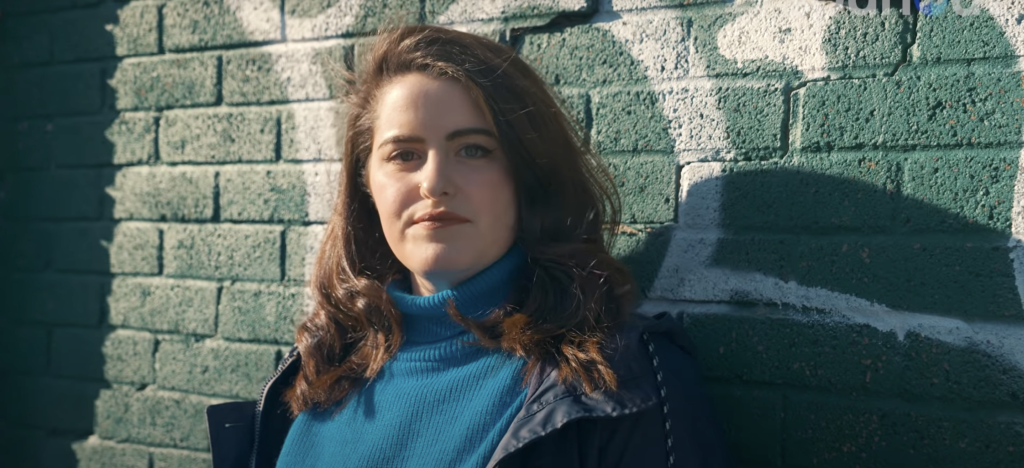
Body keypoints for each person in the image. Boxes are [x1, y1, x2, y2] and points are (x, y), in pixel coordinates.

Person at [206, 24, 732, 468]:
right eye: (404, 154)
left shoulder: (616, 380)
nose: (434, 182)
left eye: (474, 149)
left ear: (528, 175)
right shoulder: (319, 362)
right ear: (367, 184)